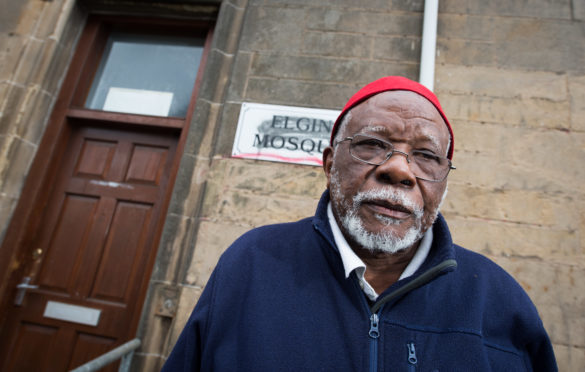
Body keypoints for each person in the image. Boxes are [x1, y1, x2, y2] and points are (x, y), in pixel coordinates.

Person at [161, 76, 557, 371]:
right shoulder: (251, 264)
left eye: (426, 156)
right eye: (373, 144)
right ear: (330, 163)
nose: (400, 169)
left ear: (444, 181)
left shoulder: (501, 301)